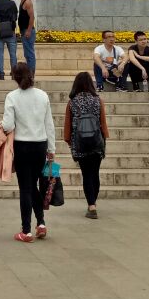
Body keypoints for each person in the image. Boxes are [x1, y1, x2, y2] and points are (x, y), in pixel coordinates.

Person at [2, 62, 56, 242]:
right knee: (33, 186)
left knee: (25, 188)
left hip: (22, 146)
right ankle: (40, 223)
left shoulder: (12, 97)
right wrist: (51, 149)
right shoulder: (42, 95)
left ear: (15, 78)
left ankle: (26, 230)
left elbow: (8, 125)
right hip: (40, 145)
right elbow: (49, 124)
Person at [62, 71, 109, 218]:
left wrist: (69, 141)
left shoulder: (72, 102)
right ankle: (93, 202)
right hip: (96, 142)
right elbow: (103, 123)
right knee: (95, 174)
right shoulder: (97, 100)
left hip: (80, 143)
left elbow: (68, 126)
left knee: (86, 174)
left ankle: (91, 205)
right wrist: (104, 139)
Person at [12, 0, 37, 72]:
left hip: (27, 31)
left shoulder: (27, 2)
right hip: (24, 30)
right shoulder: (22, 1)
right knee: (27, 54)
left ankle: (31, 74)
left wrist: (29, 30)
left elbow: (32, 17)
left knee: (29, 54)